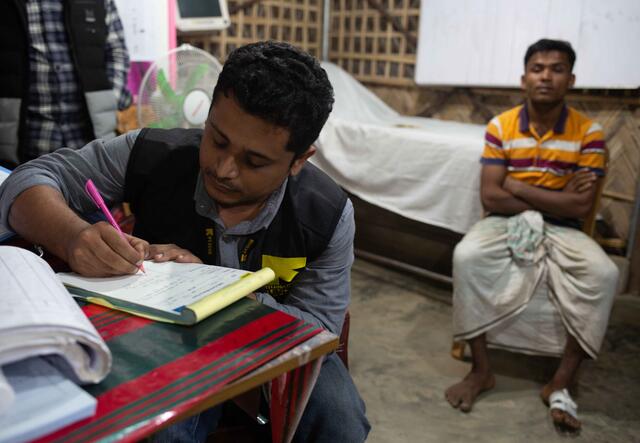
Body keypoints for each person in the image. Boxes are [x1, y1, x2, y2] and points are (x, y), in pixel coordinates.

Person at [0, 40, 370, 442]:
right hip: (163, 339)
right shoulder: (153, 154)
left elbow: (319, 331)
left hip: (272, 338)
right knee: (163, 425)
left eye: (254, 161)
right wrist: (73, 238)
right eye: (218, 139)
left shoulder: (326, 214)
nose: (224, 169)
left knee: (340, 421)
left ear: (300, 159)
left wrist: (221, 290)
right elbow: (26, 182)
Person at [444, 39, 618, 432]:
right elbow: (490, 195)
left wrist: (518, 187)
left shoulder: (588, 133)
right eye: (538, 68)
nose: (546, 76)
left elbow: (578, 209)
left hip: (564, 228)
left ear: (570, 79)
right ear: (524, 78)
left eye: (556, 69)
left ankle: (562, 381)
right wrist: (556, 195)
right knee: (467, 256)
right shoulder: (501, 126)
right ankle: (482, 371)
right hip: (504, 221)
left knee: (605, 275)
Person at [0, 0, 132, 168]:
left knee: (96, 191)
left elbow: (116, 51)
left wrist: (109, 100)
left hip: (92, 142)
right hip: (23, 146)